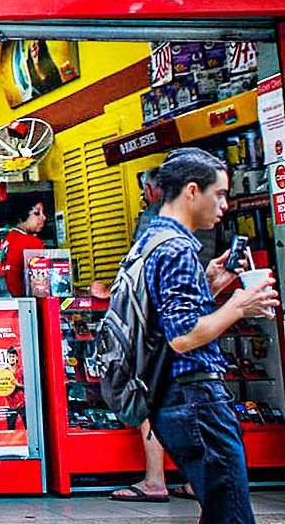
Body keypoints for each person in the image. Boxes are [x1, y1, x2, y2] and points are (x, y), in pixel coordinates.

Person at [141, 147, 278, 523]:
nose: (225, 205)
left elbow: (165, 316)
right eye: (218, 194)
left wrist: (209, 286)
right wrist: (240, 306)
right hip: (196, 396)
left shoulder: (153, 239)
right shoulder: (177, 248)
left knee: (219, 510)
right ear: (191, 191)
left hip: (173, 397)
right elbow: (183, 336)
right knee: (231, 513)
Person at [111, 165, 189, 503]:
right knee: (187, 399)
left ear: (154, 190)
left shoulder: (155, 222)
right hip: (186, 328)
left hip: (157, 328)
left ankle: (155, 479)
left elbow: (139, 271)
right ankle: (196, 479)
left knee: (150, 399)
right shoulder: (194, 222)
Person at [0, 200, 46, 297]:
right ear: (22, 216)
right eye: (37, 213)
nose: (43, 217)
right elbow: (41, 285)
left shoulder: (5, 242)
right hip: (26, 302)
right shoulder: (31, 242)